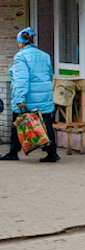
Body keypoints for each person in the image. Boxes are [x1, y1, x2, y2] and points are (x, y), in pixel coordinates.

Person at [2, 27, 59, 162]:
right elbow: (49, 76)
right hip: (44, 96)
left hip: (28, 98)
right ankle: (52, 153)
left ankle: (13, 152)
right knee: (46, 124)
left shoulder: (21, 57)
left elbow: (21, 79)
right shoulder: (45, 55)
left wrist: (20, 98)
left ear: (21, 42)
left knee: (17, 123)